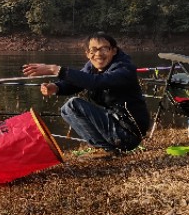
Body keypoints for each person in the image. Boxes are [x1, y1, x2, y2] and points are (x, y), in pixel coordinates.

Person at [22, 32, 150, 158]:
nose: (98, 54)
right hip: (115, 124)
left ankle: (107, 149)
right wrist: (56, 87)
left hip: (129, 133)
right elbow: (78, 83)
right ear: (87, 54)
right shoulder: (91, 66)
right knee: (66, 110)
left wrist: (56, 70)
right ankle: (106, 149)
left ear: (114, 51)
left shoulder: (124, 69)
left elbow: (97, 82)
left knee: (73, 105)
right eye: (93, 50)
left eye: (104, 49)